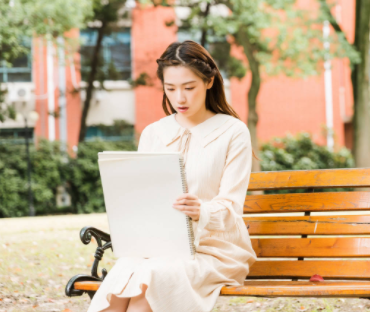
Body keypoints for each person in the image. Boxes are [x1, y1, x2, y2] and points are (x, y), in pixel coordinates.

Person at [88, 40, 257, 312]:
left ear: (209, 81)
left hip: (216, 250)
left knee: (149, 286)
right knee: (122, 281)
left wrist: (201, 210)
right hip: (159, 248)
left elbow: (231, 207)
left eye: (189, 88)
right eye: (171, 89)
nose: (180, 98)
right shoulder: (154, 133)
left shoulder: (233, 132)